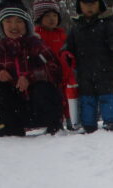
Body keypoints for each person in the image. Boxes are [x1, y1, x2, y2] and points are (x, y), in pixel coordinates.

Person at [0, 0, 63, 137]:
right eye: (8, 21)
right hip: (15, 106)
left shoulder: (36, 44)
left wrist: (31, 78)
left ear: (26, 24)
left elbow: (55, 69)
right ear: (1, 25)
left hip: (39, 106)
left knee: (45, 87)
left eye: (19, 21)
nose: (14, 26)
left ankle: (53, 124)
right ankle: (12, 126)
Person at [60, 0, 113, 133]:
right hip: (84, 70)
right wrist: (66, 52)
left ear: (99, 5)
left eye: (93, 3)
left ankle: (111, 122)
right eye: (85, 4)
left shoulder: (107, 24)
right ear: (80, 6)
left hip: (104, 69)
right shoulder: (76, 27)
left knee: (107, 97)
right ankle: (88, 125)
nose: (89, 7)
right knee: (87, 99)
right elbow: (68, 44)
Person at [32, 0, 75, 131]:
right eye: (47, 16)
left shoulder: (61, 34)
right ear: (39, 18)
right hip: (48, 76)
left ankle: (70, 120)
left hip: (65, 73)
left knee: (68, 99)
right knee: (54, 100)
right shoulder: (37, 36)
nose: (52, 19)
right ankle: (56, 122)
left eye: (54, 16)